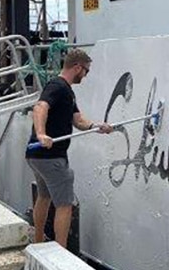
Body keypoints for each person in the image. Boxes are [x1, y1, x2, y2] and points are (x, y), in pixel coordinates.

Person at [26, 48, 114, 248]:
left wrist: (96, 126)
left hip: (36, 156)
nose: (86, 75)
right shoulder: (57, 86)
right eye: (86, 71)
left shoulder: (67, 91)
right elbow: (40, 107)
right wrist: (41, 134)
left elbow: (78, 120)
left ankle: (38, 242)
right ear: (77, 67)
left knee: (44, 196)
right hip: (51, 157)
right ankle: (61, 254)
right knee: (65, 205)